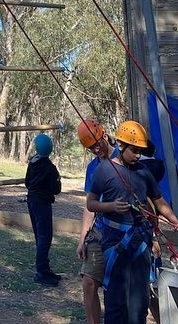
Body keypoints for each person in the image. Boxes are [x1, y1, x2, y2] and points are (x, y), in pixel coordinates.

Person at [87, 120, 178, 324]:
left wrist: (174, 220)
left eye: (140, 150)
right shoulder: (104, 171)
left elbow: (159, 201)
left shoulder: (143, 172)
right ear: (121, 145)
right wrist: (111, 207)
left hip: (140, 244)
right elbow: (91, 203)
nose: (138, 155)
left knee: (139, 303)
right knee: (116, 303)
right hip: (115, 244)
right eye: (134, 150)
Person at [76, 119, 119, 324]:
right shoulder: (92, 168)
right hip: (99, 232)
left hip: (123, 232)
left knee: (123, 289)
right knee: (89, 283)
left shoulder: (124, 157)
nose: (95, 149)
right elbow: (88, 206)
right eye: (90, 148)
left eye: (96, 144)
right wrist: (82, 239)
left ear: (103, 135)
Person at [25, 132, 62, 286]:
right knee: (45, 237)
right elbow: (56, 189)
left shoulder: (32, 163)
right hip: (42, 203)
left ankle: (45, 269)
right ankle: (41, 272)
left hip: (32, 200)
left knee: (40, 236)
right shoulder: (50, 168)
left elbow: (27, 182)